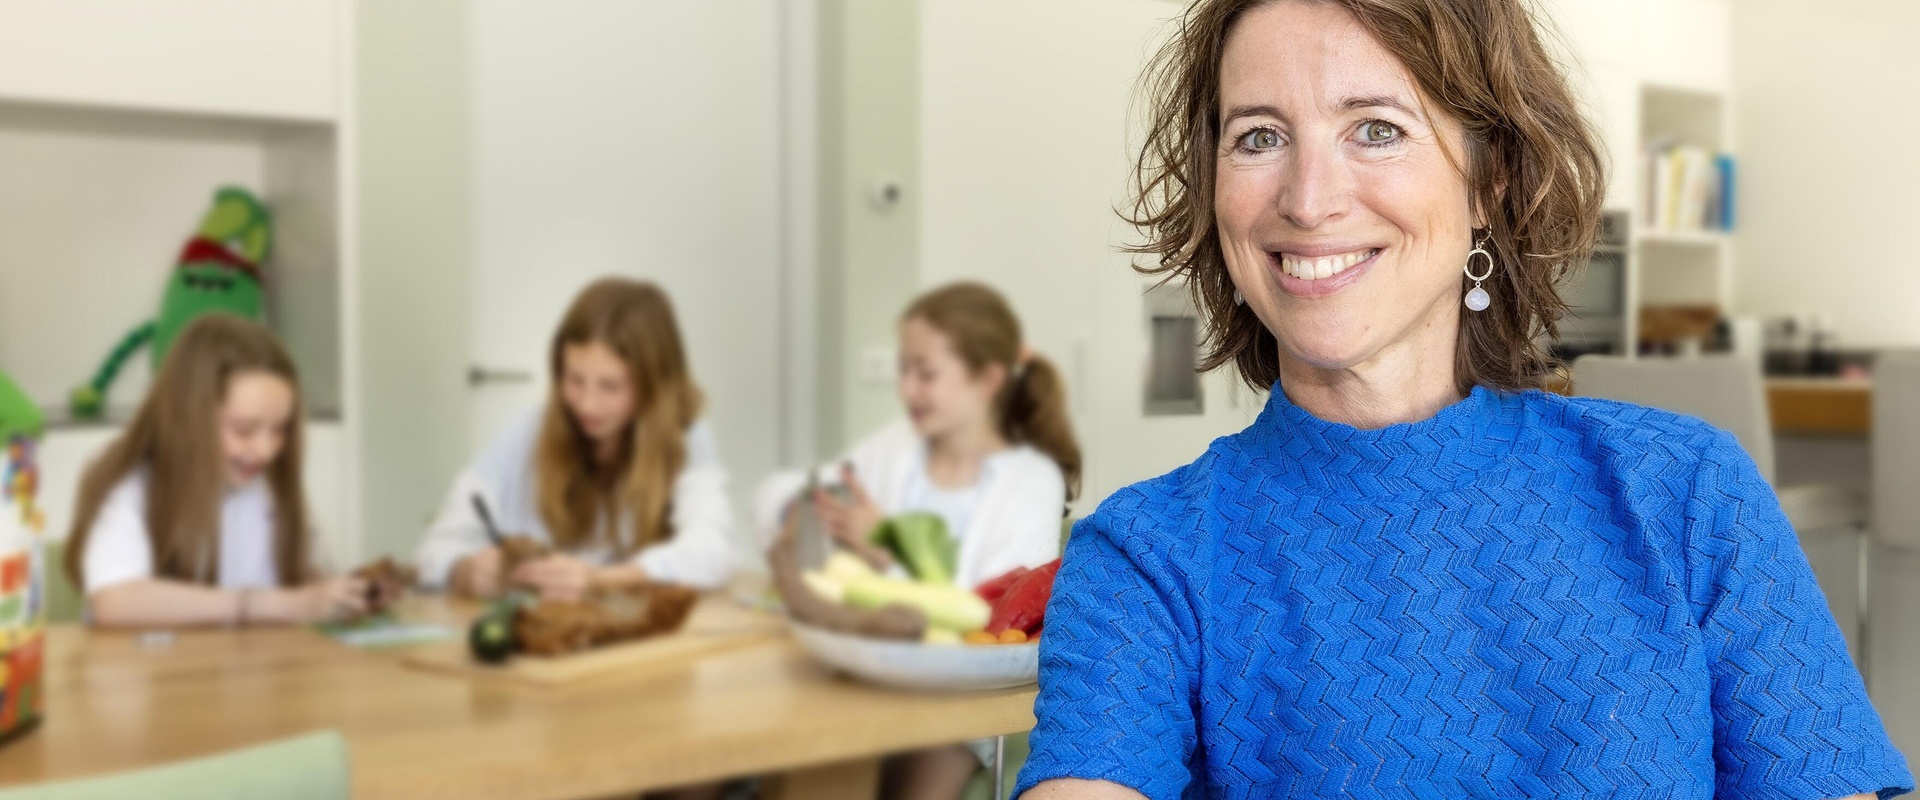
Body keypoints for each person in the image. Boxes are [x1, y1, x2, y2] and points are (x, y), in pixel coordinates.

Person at [1015, 1, 1911, 798]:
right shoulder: (1145, 559)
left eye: (1374, 128)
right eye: (1258, 136)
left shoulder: (1685, 494)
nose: (1309, 198)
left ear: (1490, 181)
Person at [768, 281, 1081, 799]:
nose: (909, 389)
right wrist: (796, 510)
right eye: (905, 371)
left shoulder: (1029, 479)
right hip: (877, 671)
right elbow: (811, 488)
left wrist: (886, 548)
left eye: (927, 373)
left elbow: (996, 619)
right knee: (808, 749)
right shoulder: (898, 446)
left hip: (963, 705)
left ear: (986, 381)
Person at [417, 277, 734, 599]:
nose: (587, 404)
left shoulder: (684, 435)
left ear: (655, 384)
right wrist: (464, 571)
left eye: (610, 386)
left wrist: (602, 579)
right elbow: (435, 548)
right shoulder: (527, 430)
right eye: (575, 379)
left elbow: (712, 550)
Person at [66, 315, 365, 627]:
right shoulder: (130, 478)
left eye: (280, 429)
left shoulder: (269, 484)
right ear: (189, 416)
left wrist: (340, 596)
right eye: (244, 429)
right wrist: (268, 604)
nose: (266, 450)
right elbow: (116, 601)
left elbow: (308, 583)